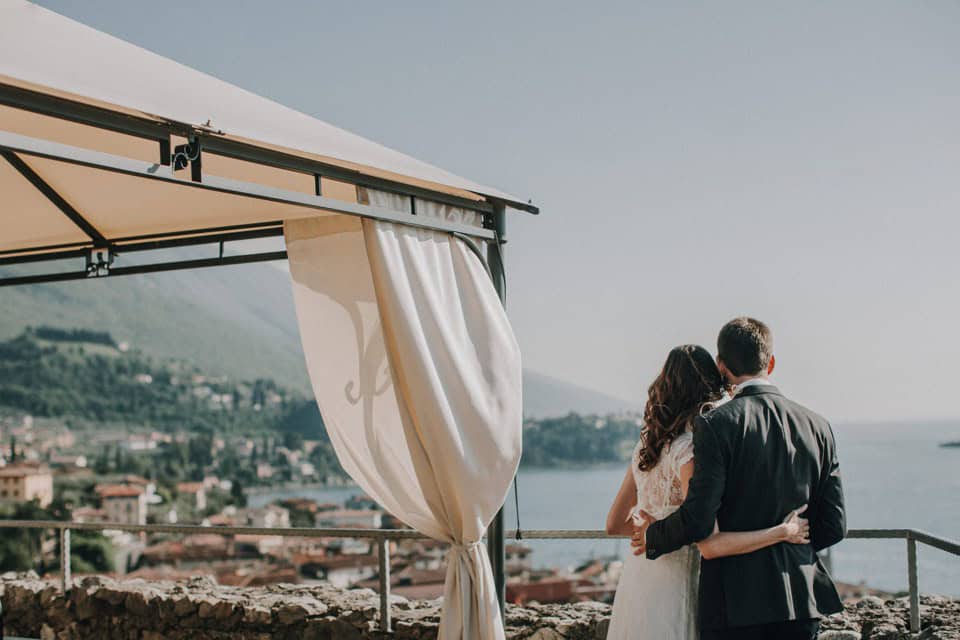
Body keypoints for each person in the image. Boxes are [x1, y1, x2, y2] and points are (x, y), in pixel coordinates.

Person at [633, 318, 846, 640]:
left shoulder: (716, 424)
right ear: (770, 362)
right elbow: (833, 525)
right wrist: (790, 536)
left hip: (734, 606)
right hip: (801, 600)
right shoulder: (818, 426)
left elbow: (699, 520)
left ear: (721, 366)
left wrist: (653, 534)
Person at [605, 344, 811, 640]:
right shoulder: (689, 449)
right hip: (679, 581)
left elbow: (614, 525)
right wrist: (782, 531)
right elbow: (703, 532)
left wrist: (647, 530)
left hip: (639, 578)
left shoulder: (646, 445)